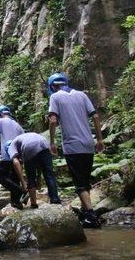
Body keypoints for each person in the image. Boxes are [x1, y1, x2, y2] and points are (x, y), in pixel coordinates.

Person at [47, 72, 104, 228]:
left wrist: (52, 142)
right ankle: (86, 212)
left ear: (52, 86)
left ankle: (91, 216)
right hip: (88, 144)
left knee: (79, 183)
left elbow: (53, 120)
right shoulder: (81, 95)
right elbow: (96, 116)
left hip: (72, 146)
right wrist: (99, 139)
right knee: (85, 181)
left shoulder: (55, 97)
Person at [7, 132, 62, 209]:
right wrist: (39, 179)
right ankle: (55, 200)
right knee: (49, 175)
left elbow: (16, 162)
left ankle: (34, 204)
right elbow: (38, 162)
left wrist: (23, 182)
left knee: (31, 177)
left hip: (29, 146)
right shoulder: (23, 137)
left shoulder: (10, 146)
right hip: (44, 143)